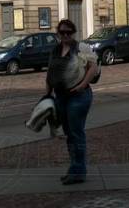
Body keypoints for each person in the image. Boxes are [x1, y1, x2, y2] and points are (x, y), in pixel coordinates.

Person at [46, 19, 98, 185]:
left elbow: (92, 67)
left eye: (69, 32)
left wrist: (82, 86)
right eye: (62, 32)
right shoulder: (55, 50)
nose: (66, 35)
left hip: (79, 96)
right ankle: (74, 168)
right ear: (58, 34)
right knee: (70, 134)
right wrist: (46, 95)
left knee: (76, 133)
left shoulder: (81, 47)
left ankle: (79, 170)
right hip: (61, 97)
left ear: (74, 33)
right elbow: (50, 74)